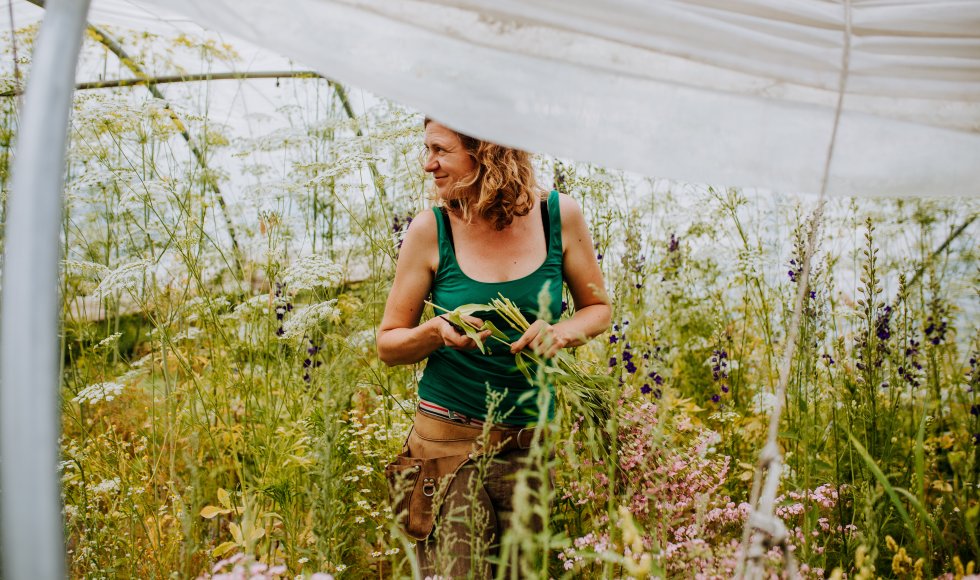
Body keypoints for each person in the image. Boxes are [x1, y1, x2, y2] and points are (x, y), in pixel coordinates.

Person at [377, 119, 610, 577]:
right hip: (447, 447)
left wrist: (560, 333)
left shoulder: (558, 217)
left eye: (441, 151)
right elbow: (388, 343)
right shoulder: (431, 229)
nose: (429, 165)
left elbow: (597, 309)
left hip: (531, 446)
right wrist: (436, 331)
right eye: (427, 150)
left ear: (486, 151)